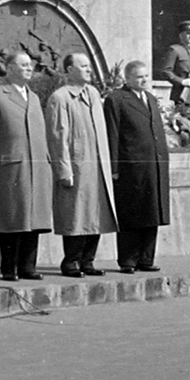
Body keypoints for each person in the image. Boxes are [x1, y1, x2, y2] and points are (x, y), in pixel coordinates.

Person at [0, 51, 53, 281]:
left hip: (36, 168)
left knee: (34, 219)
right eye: (23, 65)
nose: (29, 68)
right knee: (11, 219)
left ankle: (28, 266)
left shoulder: (35, 97)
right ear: (9, 68)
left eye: (30, 65)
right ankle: (9, 268)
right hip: (11, 168)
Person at [47, 52, 118, 278]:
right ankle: (71, 262)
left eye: (89, 66)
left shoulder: (94, 94)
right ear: (69, 70)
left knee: (96, 213)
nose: (89, 70)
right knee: (76, 214)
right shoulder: (61, 98)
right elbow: (58, 137)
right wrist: (64, 169)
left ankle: (88, 260)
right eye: (83, 66)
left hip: (97, 165)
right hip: (77, 166)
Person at [104, 60, 170, 273]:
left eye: (146, 76)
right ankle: (128, 260)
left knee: (152, 212)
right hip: (131, 166)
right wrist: (114, 166)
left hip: (154, 165)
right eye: (140, 76)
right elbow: (112, 134)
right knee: (132, 213)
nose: (144, 80)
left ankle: (146, 258)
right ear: (128, 78)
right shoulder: (116, 99)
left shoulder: (150, 99)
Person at [158, 20, 190, 104]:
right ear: (180, 35)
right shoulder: (174, 50)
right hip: (181, 93)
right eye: (187, 33)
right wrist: (181, 81)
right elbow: (166, 71)